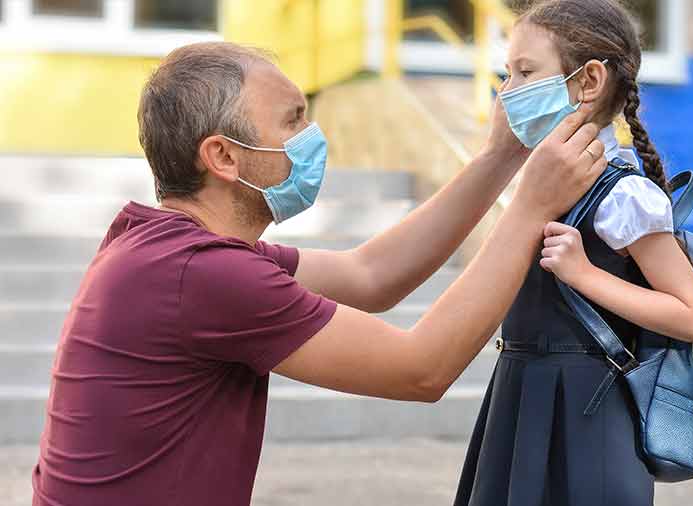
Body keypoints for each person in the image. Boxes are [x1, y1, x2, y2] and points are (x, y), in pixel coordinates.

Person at [30, 42, 608, 506]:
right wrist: (530, 207)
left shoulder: (175, 250)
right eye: (293, 121)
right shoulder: (202, 275)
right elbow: (422, 370)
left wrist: (500, 156)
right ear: (223, 157)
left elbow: (372, 276)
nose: (313, 138)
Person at [453, 1, 693, 505]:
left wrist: (584, 273)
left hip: (587, 412)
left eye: (525, 72)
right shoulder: (543, 185)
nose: (507, 92)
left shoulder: (623, 196)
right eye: (507, 74)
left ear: (588, 81)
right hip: (519, 393)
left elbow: (690, 315)